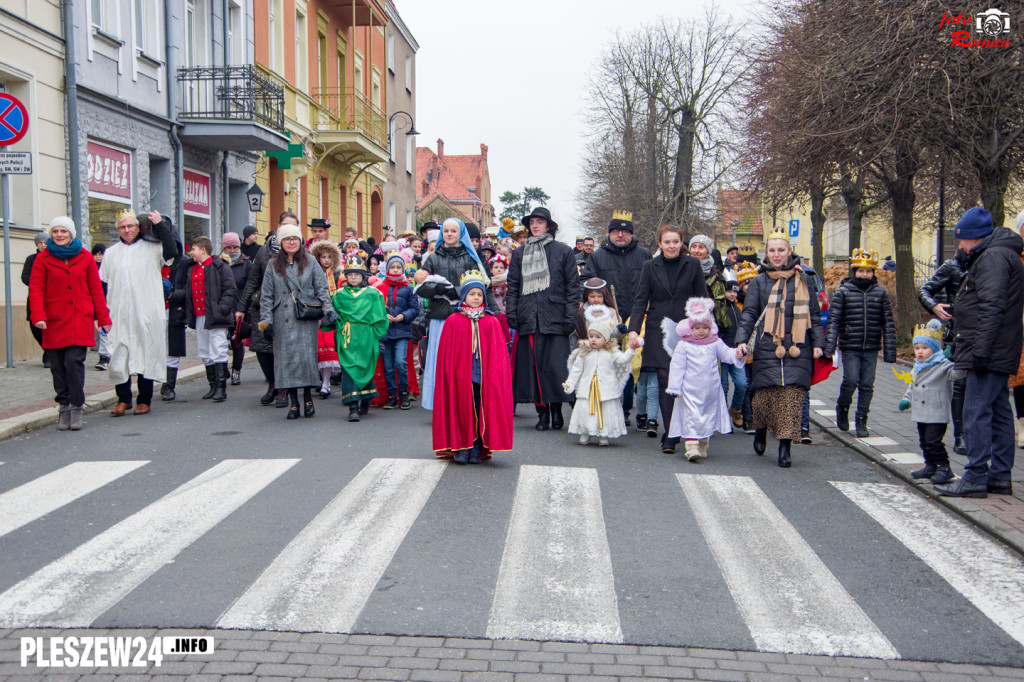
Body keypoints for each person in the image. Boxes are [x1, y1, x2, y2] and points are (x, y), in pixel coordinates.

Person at [936, 207, 1024, 498]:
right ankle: (999, 476)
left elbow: (992, 307)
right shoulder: (999, 254)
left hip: (987, 348)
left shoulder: (994, 258)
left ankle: (974, 477)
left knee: (975, 412)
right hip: (997, 347)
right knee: (998, 412)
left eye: (962, 240)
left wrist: (981, 352)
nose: (959, 246)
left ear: (976, 238)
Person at [735, 228, 825, 468]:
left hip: (798, 345)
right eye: (772, 250)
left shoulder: (803, 280)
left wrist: (819, 344)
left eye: (781, 250)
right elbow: (750, 313)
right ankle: (761, 429)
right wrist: (741, 340)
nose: (776, 255)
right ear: (767, 253)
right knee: (764, 396)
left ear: (789, 251)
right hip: (767, 345)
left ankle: (785, 447)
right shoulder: (759, 281)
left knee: (791, 397)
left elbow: (813, 315)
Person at [628, 224, 707, 452]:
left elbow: (700, 297)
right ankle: (671, 433)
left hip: (687, 329)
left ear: (682, 243)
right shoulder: (650, 266)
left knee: (687, 381)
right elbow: (641, 299)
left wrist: (704, 328)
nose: (671, 246)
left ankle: (691, 428)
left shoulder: (692, 264)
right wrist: (634, 328)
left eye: (676, 241)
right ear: (660, 244)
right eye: (667, 242)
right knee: (664, 378)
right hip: (659, 329)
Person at [28, 217, 111, 430]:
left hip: (79, 319)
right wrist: (38, 315)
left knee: (73, 363)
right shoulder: (43, 258)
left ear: (71, 234)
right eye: (55, 231)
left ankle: (76, 406)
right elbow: (36, 288)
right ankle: (63, 406)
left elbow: (95, 288)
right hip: (53, 321)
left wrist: (103, 317)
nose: (58, 235)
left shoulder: (85, 257)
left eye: (63, 231)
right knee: (57, 367)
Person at [505, 207, 581, 431]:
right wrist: (512, 312)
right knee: (534, 367)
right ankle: (543, 413)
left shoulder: (563, 251)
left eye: (540, 222)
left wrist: (570, 317)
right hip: (529, 318)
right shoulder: (520, 254)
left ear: (549, 226)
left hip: (555, 318)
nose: (535, 225)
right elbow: (513, 287)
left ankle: (557, 409)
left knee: (556, 367)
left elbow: (572, 288)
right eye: (532, 222)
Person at [101, 208, 177, 416]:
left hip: (146, 311)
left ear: (138, 227)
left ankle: (144, 400)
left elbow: (172, 251)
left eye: (130, 226)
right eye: (122, 227)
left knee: (146, 353)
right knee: (118, 356)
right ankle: (123, 399)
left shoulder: (152, 247)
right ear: (118, 230)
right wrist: (102, 314)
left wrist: (160, 224)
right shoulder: (111, 253)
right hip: (119, 312)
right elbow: (104, 283)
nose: (126, 230)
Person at [258, 223, 338, 420]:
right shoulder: (272, 265)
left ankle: (308, 399)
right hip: (282, 319)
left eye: (294, 238)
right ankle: (294, 403)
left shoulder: (310, 262)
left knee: (306, 359)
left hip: (305, 318)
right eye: (287, 239)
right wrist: (266, 321)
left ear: (300, 241)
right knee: (287, 362)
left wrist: (328, 310)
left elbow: (322, 289)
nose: (291, 242)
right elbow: (266, 295)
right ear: (281, 242)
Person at [579, 211, 653, 424]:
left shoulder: (644, 254)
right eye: (616, 231)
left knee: (633, 365)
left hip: (638, 318)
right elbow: (585, 282)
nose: (620, 235)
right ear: (609, 233)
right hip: (608, 320)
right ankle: (612, 408)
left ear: (631, 234)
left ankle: (631, 409)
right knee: (610, 365)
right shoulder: (597, 256)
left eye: (625, 231)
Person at [432, 270, 513, 463]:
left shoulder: (491, 321)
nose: (475, 298)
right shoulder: (454, 321)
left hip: (483, 377)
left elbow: (498, 354)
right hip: (461, 377)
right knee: (461, 409)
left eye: (479, 294)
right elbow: (447, 354)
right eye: (471, 294)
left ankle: (477, 445)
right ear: (464, 296)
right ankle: (462, 446)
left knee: (480, 407)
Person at [413, 217, 494, 410]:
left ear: (460, 234)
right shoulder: (432, 258)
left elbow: (479, 285)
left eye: (453, 231)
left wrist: (456, 291)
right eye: (446, 231)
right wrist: (439, 289)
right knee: (440, 361)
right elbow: (420, 287)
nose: (449, 234)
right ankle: (439, 403)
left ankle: (462, 403)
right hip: (440, 317)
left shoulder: (470, 257)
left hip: (466, 318)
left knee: (462, 363)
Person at [823, 249, 897, 437]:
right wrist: (830, 346)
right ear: (854, 271)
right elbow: (833, 321)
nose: (865, 274)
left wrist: (890, 351)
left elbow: (887, 322)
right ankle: (843, 407)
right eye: (861, 271)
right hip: (850, 346)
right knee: (851, 380)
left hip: (871, 347)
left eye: (868, 271)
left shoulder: (880, 294)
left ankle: (862, 419)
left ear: (873, 272)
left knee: (867, 384)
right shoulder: (843, 292)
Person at [665, 298, 746, 461]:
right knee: (691, 416)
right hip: (689, 389)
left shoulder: (715, 342)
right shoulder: (684, 345)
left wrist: (737, 354)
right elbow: (677, 367)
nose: (701, 331)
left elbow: (727, 355)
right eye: (697, 328)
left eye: (704, 327)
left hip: (710, 389)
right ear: (691, 328)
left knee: (706, 416)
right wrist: (675, 387)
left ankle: (703, 444)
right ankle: (691, 446)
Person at [238, 212, 295, 408]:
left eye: (292, 226)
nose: (288, 230)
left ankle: (283, 389)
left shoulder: (301, 252)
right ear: (279, 227)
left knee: (284, 350)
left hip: (289, 308)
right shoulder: (264, 251)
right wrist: (241, 308)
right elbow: (253, 281)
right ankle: (272, 383)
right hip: (263, 307)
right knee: (262, 349)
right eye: (285, 225)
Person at [563, 304, 637, 446]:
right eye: (591, 336)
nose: (593, 340)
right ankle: (586, 432)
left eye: (598, 337)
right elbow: (576, 370)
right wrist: (570, 382)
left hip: (606, 388)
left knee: (604, 410)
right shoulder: (584, 352)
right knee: (586, 410)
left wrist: (631, 350)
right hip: (588, 388)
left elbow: (623, 360)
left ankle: (604, 434)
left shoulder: (611, 352)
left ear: (606, 338)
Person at [917, 247, 968, 454]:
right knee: (959, 386)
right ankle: (960, 436)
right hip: (956, 335)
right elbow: (924, 290)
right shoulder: (952, 267)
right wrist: (935, 306)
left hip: (981, 331)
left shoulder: (985, 263)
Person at [330, 255, 388, 421]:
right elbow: (334, 316)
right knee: (349, 370)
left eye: (357, 274)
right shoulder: (339, 295)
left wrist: (375, 336)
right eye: (350, 274)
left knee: (365, 368)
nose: (353, 277)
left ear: (363, 276)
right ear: (346, 276)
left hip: (366, 336)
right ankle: (352, 407)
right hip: (347, 336)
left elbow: (381, 317)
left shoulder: (373, 294)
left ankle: (367, 398)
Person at [898, 320, 955, 485]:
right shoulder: (917, 366)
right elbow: (911, 386)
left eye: (924, 348)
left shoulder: (944, 365)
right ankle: (930, 465)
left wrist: (955, 358)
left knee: (933, 441)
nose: (920, 352)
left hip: (936, 411)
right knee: (923, 441)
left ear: (935, 349)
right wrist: (906, 399)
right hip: (920, 412)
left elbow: (958, 375)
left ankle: (944, 467)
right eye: (917, 348)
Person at [183, 236, 237, 402]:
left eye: (193, 249)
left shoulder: (219, 266)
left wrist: (221, 309)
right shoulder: (193, 268)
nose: (191, 252)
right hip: (199, 315)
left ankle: (221, 387)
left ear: (203, 250)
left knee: (218, 349)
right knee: (205, 351)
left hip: (216, 315)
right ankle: (212, 386)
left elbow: (230, 290)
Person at [376, 253, 420, 409]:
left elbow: (415, 309)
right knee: (388, 366)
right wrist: (383, 315)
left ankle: (404, 393)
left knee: (400, 362)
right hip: (385, 332)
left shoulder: (409, 289)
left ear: (402, 269)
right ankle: (391, 396)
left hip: (402, 331)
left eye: (398, 267)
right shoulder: (380, 288)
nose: (395, 270)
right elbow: (374, 309)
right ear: (388, 269)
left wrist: (403, 316)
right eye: (392, 267)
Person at [310, 240, 344, 398]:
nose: (326, 260)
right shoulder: (311, 273)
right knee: (317, 350)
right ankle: (318, 379)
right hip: (316, 315)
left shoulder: (338, 274)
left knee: (329, 350)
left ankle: (326, 383)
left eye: (329, 257)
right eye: (323, 257)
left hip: (331, 316)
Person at [220, 231, 251, 385]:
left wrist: (245, 309)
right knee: (219, 342)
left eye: (235, 247)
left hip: (239, 308)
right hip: (221, 308)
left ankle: (236, 370)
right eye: (228, 248)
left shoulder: (246, 264)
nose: (232, 251)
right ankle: (222, 369)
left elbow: (250, 287)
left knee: (236, 341)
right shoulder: (218, 263)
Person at [688, 234, 730, 331]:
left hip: (706, 325)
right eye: (694, 247)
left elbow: (720, 306)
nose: (696, 251)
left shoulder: (715, 276)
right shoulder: (682, 269)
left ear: (708, 251)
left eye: (701, 247)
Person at [719, 281, 747, 428]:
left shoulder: (738, 309)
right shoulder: (720, 309)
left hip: (736, 353)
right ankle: (723, 417)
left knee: (742, 383)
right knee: (723, 386)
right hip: (722, 352)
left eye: (735, 292)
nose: (732, 294)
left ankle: (735, 409)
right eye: (729, 291)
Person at [21, 232, 49, 367]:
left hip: (50, 298)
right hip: (35, 297)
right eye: (40, 243)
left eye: (45, 242)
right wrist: (37, 283)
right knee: (35, 328)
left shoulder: (52, 257)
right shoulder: (31, 259)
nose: (43, 245)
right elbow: (25, 276)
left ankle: (50, 354)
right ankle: (48, 350)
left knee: (48, 327)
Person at [91, 243, 110, 370]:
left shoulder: (108, 267)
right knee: (101, 331)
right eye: (96, 254)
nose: (98, 257)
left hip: (109, 302)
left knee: (105, 330)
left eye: (101, 254)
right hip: (95, 303)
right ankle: (103, 355)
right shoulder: (91, 267)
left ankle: (105, 356)